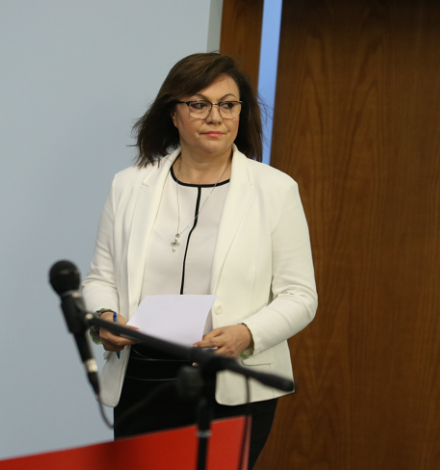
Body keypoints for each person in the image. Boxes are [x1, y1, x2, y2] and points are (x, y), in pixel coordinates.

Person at [82, 52, 317, 469]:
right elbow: (100, 278)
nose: (215, 117)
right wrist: (105, 317)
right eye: (198, 104)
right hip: (143, 381)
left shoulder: (275, 189)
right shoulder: (129, 185)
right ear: (173, 113)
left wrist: (247, 332)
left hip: (231, 380)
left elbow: (300, 295)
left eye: (228, 105)